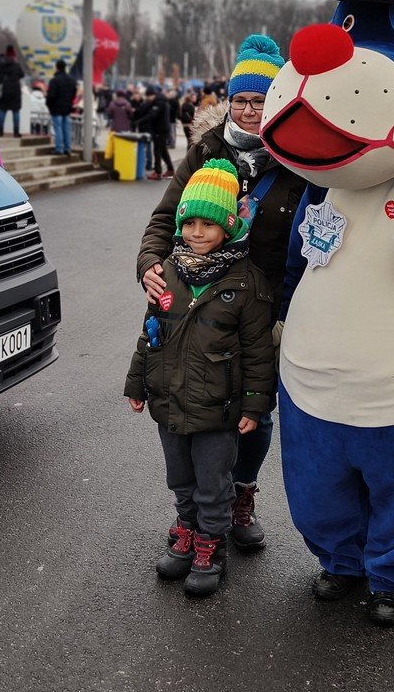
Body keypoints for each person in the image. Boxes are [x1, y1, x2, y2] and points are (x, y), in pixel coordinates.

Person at [137, 34, 305, 552]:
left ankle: (239, 495)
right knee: (196, 402)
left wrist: (297, 302)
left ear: (276, 100)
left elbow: (312, 232)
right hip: (202, 299)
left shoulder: (298, 159)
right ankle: (194, 509)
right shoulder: (206, 151)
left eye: (261, 100)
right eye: (242, 100)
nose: (251, 110)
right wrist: (149, 264)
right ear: (229, 101)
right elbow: (166, 218)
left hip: (266, 306)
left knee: (255, 405)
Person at [124, 159, 275, 598]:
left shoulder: (247, 283)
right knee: (181, 479)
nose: (195, 232)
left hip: (218, 410)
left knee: (214, 483)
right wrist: (137, 384)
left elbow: (259, 353)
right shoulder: (168, 271)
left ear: (228, 227)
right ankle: (186, 533)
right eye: (189, 223)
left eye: (207, 224)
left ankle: (211, 547)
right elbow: (150, 332)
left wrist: (254, 403)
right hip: (170, 403)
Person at [45, 59, 76, 156]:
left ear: (57, 67)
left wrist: (49, 106)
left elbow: (51, 96)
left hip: (56, 108)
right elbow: (73, 93)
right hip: (67, 108)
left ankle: (59, 149)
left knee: (58, 128)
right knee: (66, 128)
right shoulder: (71, 80)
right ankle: (68, 148)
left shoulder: (54, 80)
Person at [0, 45, 25, 136]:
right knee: (16, 111)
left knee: (2, 110)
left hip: (4, 90)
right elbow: (22, 74)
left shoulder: (0, 63)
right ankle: (16, 132)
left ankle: (0, 131)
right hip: (15, 90)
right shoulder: (16, 64)